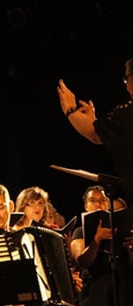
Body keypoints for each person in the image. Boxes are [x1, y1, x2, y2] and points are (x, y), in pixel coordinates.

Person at [56, 56, 133, 206]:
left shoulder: (128, 111)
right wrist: (95, 121)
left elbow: (95, 134)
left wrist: (70, 109)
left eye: (126, 79)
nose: (126, 86)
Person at [70, 185, 133, 306]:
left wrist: (131, 247)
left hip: (122, 289)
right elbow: (83, 261)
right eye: (92, 200)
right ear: (86, 206)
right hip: (96, 293)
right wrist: (97, 239)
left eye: (102, 200)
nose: (98, 204)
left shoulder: (119, 228)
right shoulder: (80, 231)